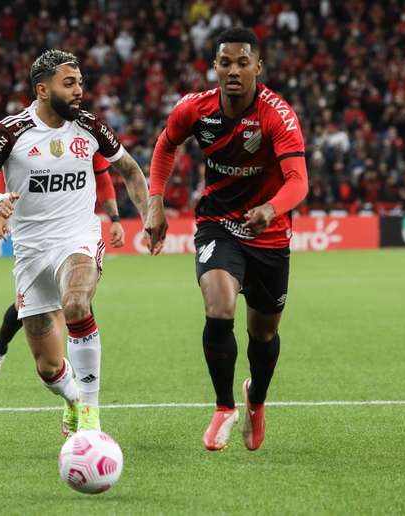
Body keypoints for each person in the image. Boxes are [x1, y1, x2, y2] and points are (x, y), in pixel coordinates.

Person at [0, 49, 149, 436]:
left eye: (80, 82)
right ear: (42, 89)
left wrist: (149, 217)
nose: (79, 90)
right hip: (31, 250)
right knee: (48, 368)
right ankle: (73, 400)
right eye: (70, 83)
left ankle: (91, 418)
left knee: (77, 303)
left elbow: (130, 171)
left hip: (77, 237)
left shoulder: (90, 127)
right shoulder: (8, 132)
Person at [145, 28, 308, 451]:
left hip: (268, 233)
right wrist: (155, 202)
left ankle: (256, 399)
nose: (233, 70)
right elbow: (165, 148)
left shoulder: (278, 115)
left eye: (242, 62)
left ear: (258, 67)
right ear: (214, 67)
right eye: (225, 62)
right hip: (218, 223)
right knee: (219, 306)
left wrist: (271, 209)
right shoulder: (194, 109)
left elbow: (298, 182)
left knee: (263, 336)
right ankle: (224, 406)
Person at [0, 153, 125, 385]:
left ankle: (84, 375)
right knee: (23, 307)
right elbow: (5, 170)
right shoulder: (25, 133)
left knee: (78, 298)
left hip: (74, 233)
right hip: (36, 234)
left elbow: (103, 178)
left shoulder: (85, 133)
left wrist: (115, 218)